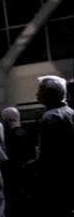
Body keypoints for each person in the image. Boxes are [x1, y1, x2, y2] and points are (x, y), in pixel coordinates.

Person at [33, 75, 74, 216]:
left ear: (49, 93)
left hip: (55, 180)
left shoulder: (49, 117)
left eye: (40, 90)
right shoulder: (71, 113)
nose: (37, 94)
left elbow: (46, 155)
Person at [0, 107, 35, 217]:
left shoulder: (12, 137)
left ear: (7, 120)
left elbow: (11, 160)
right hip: (27, 177)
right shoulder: (26, 133)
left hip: (14, 180)